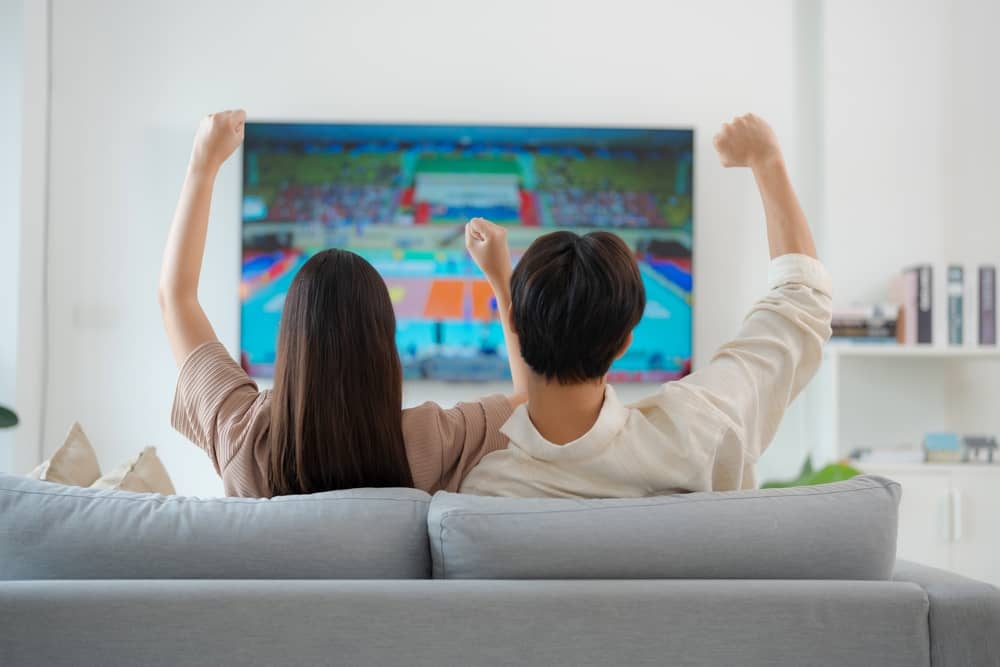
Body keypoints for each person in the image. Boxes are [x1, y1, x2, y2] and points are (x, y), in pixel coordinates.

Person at [460, 114, 833, 498]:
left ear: (514, 326)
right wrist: (765, 159)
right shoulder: (696, 432)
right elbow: (801, 299)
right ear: (624, 343)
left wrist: (506, 289)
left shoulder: (483, 488)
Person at [159, 109, 529, 497]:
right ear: (384, 343)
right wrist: (501, 279)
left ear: (291, 342)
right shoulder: (430, 439)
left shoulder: (244, 435)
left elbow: (176, 297)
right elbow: (531, 403)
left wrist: (203, 164)